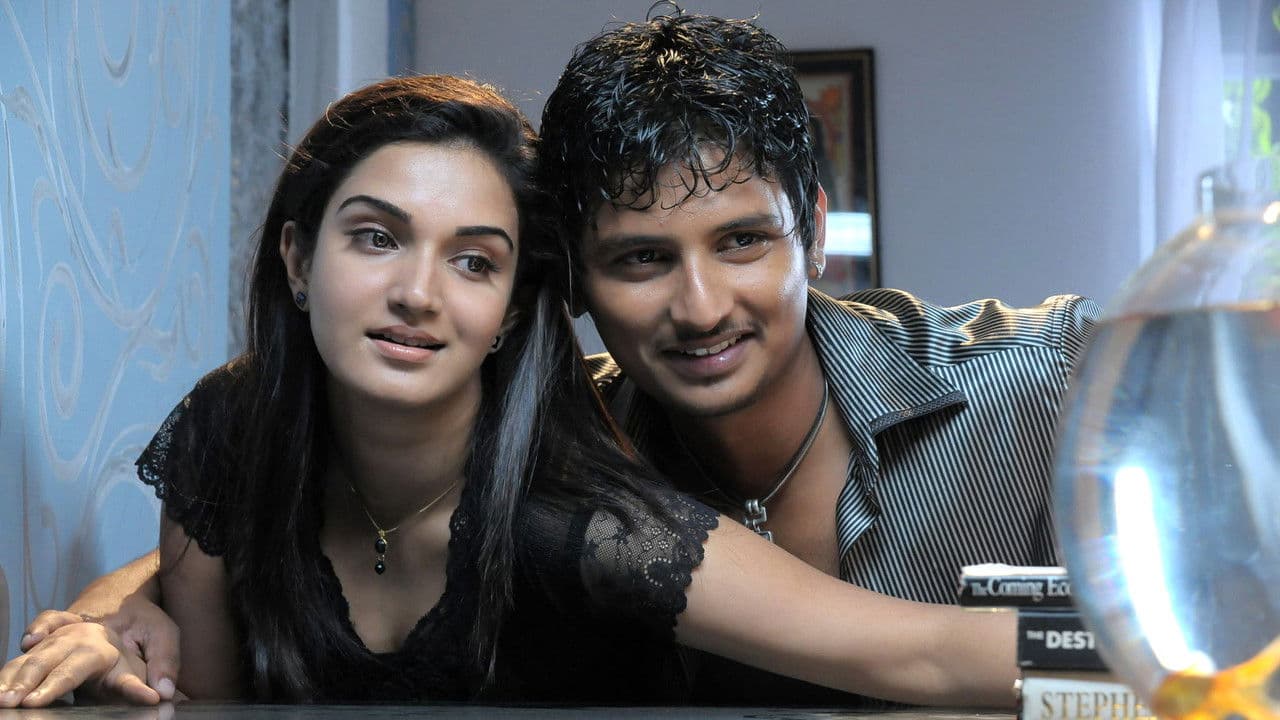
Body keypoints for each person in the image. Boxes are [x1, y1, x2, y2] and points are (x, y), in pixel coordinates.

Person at [0, 74, 1018, 708]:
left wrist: (1124, 660)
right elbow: (202, 694)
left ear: (513, 310)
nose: (417, 293)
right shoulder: (233, 430)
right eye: (377, 238)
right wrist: (109, 622)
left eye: (474, 261)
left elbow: (925, 655)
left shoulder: (585, 519)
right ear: (299, 258)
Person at [533, 7, 1099, 704]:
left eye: (742, 242)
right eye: (643, 258)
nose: (702, 309)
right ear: (574, 280)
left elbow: (1193, 662)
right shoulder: (556, 454)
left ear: (814, 233)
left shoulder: (1052, 383)